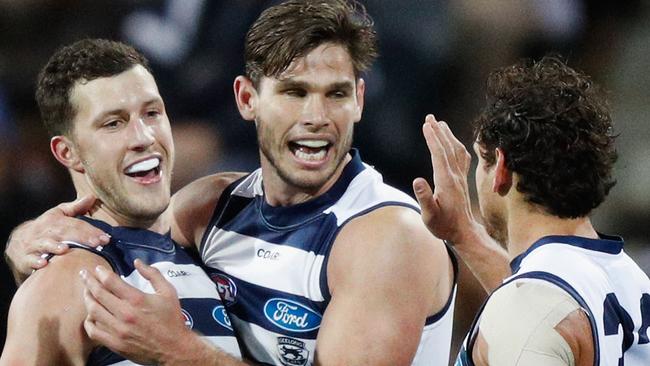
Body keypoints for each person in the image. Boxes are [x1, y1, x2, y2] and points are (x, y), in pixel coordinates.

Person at [5, 1, 457, 365]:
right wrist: (26, 241)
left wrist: (181, 352)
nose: (317, 118)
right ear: (246, 99)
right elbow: (116, 234)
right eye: (294, 92)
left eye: (336, 94)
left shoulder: (386, 238)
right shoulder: (208, 209)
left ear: (359, 100)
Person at [0, 39, 243, 365]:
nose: (143, 137)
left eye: (152, 113)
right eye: (113, 123)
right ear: (67, 153)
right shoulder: (74, 281)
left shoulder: (205, 228)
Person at [411, 57, 650, 365]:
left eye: (480, 162)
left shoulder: (529, 306)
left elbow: (534, 312)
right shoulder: (632, 284)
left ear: (500, 168)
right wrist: (463, 232)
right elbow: (541, 302)